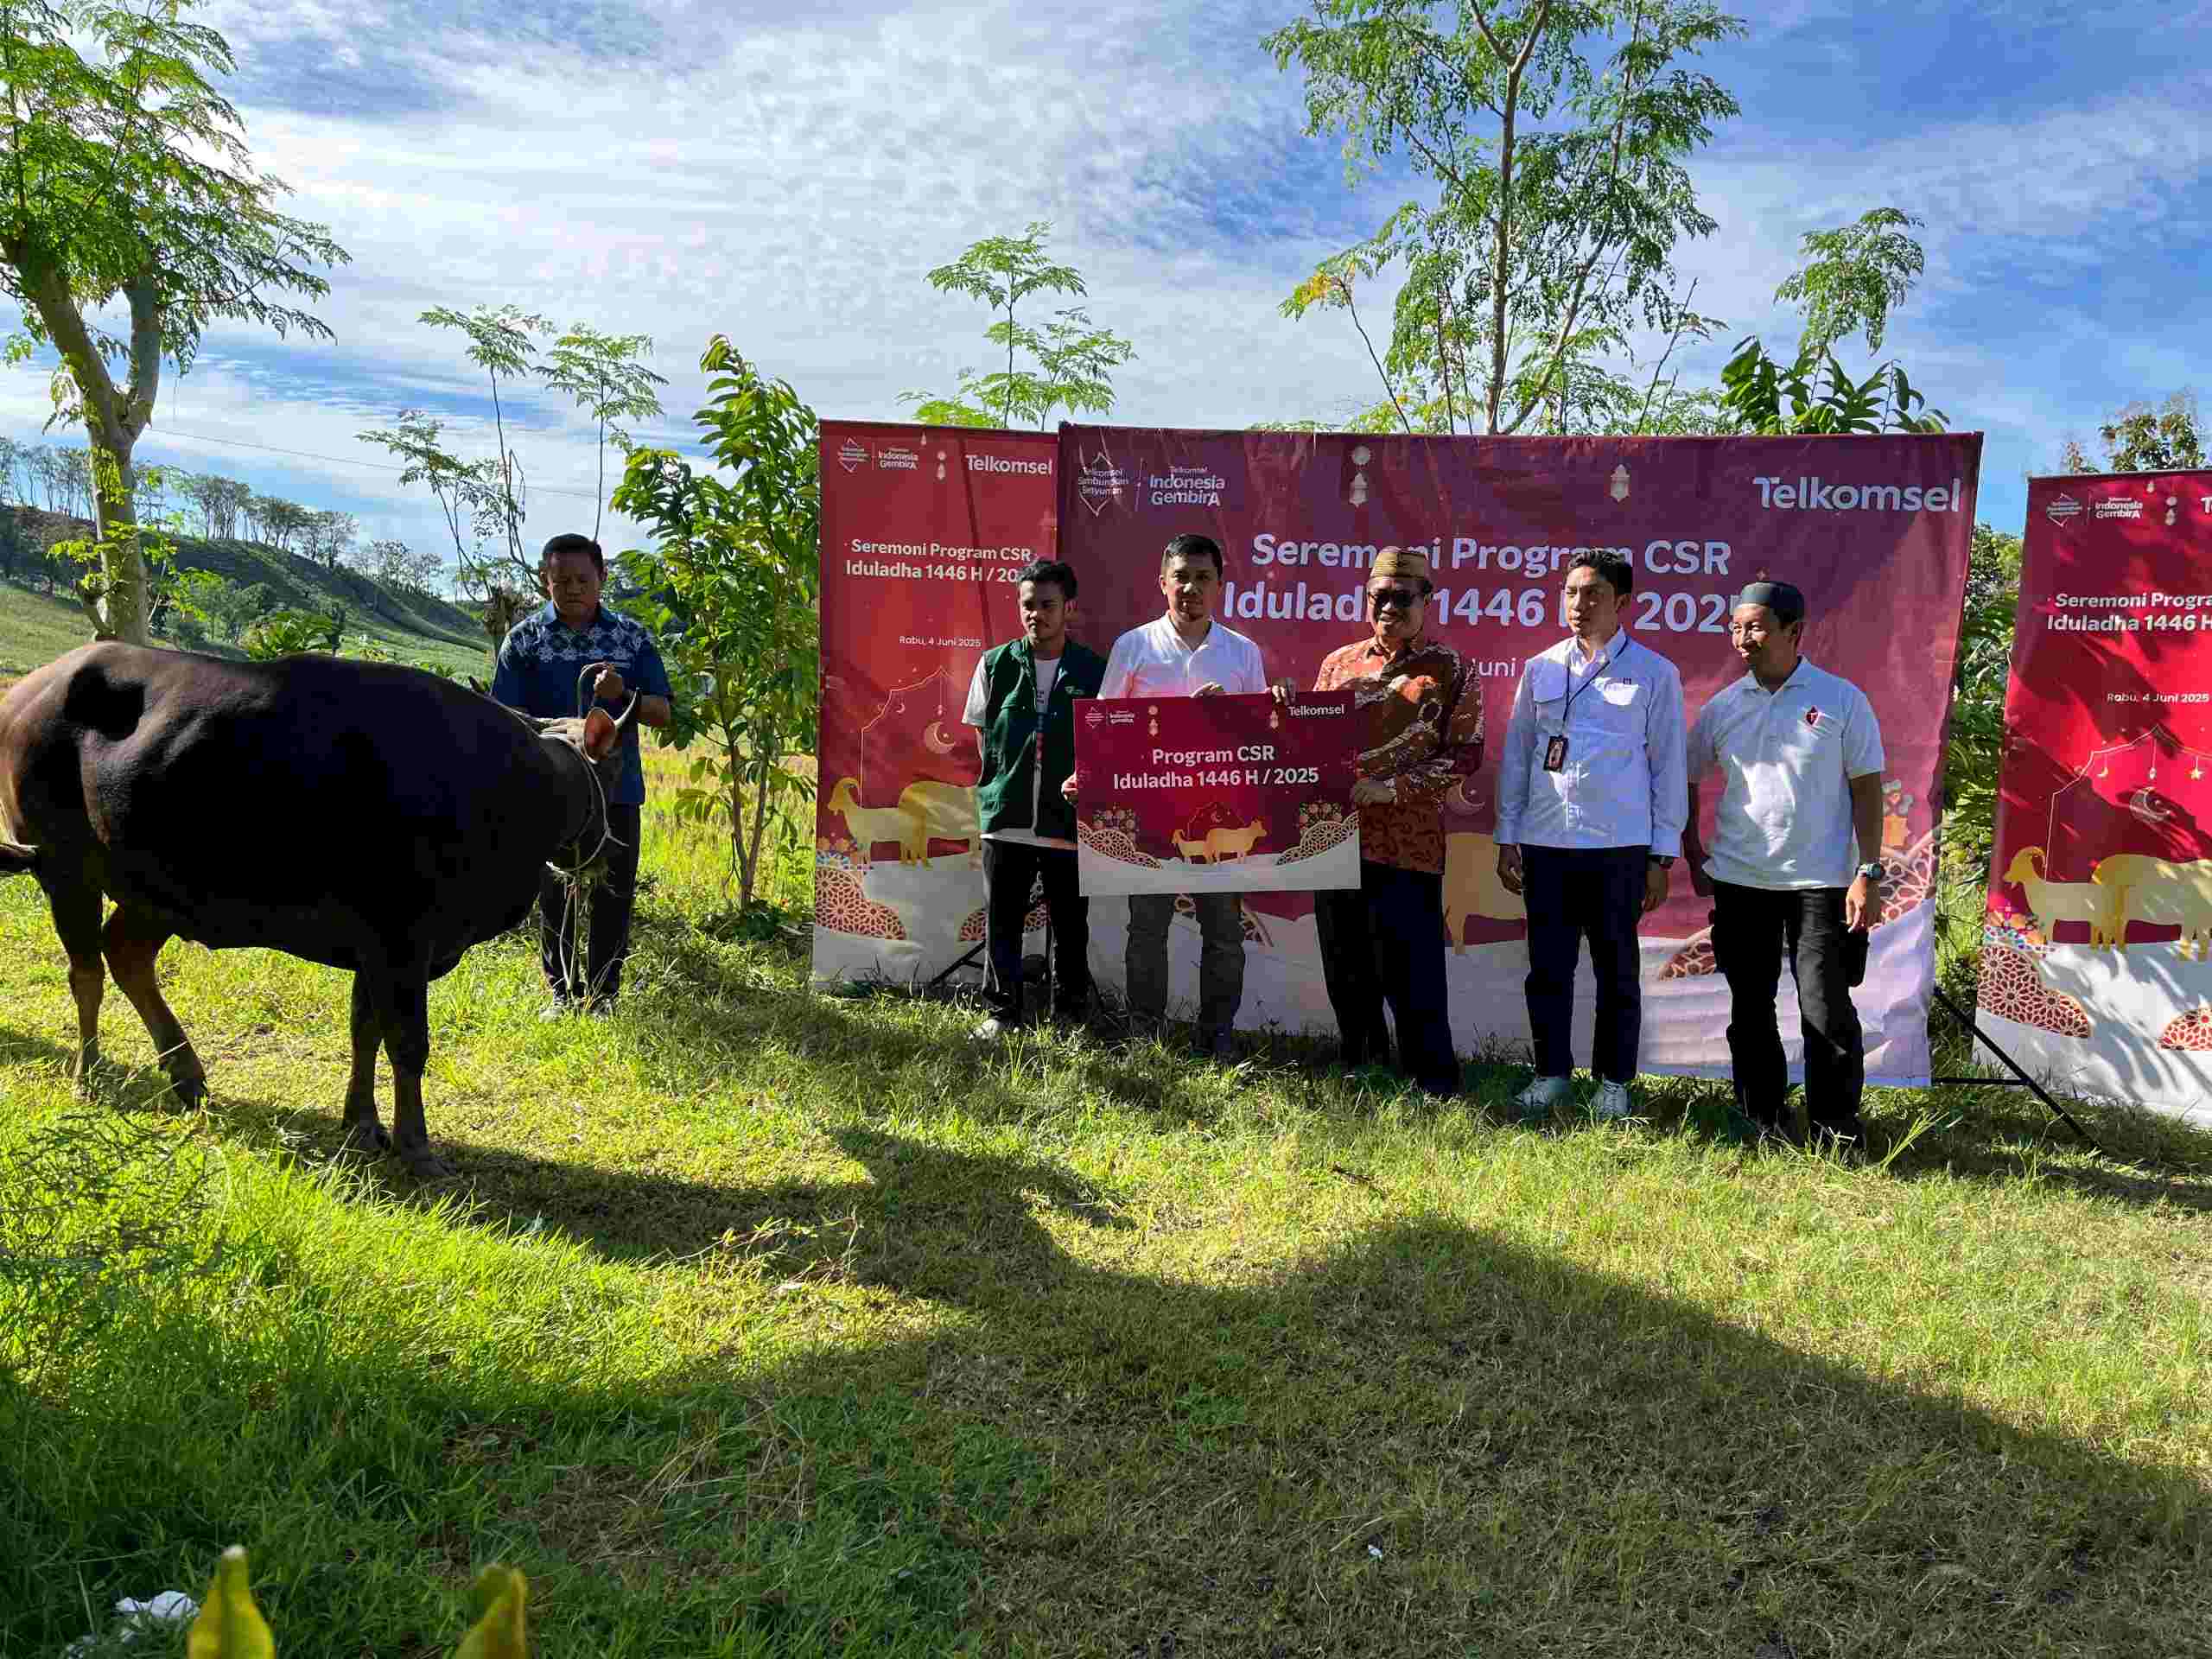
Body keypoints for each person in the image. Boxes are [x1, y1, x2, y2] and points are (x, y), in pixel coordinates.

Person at [1685, 581, 1887, 1151]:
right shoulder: (1724, 706)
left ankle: (1835, 1128)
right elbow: (1686, 776)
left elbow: (1867, 789)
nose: (1743, 639)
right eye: (1736, 628)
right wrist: (1693, 849)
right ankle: (1762, 1119)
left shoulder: (1841, 699)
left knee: (1826, 1009)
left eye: (1756, 627)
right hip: (1741, 881)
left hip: (1822, 884)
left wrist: (1868, 871)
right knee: (1750, 1010)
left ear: (1795, 632)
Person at [1495, 550, 1687, 1119]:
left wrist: (1662, 854)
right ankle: (1551, 1074)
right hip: (1547, 843)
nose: (1580, 605)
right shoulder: (1541, 668)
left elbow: (1668, 766)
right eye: (1572, 593)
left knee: (1616, 971)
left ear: (1623, 603)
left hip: (1619, 848)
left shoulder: (1655, 673)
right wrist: (1509, 835)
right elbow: (1519, 756)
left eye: (1594, 594)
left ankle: (1613, 1085)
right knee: (1547, 970)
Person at [1302, 547, 1484, 1095]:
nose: (1389, 607)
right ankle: (1362, 1065)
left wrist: (1394, 789)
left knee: (1413, 972)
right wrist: (1281, 710)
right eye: (1379, 597)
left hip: (1410, 844)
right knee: (1346, 964)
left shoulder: (1450, 667)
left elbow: (1467, 754)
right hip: (1336, 840)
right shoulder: (1337, 664)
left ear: (1426, 600)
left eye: (1402, 598)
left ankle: (1431, 1079)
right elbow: (1308, 744)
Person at [1095, 531, 1272, 1058]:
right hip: (1152, 815)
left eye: (1202, 577)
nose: (1190, 587)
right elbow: (1107, 727)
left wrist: (1229, 720)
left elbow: (1261, 740)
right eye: (1181, 577)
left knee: (1224, 933)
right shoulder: (1134, 645)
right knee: (1146, 930)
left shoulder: (1243, 652)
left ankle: (1217, 1040)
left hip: (1221, 818)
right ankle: (1144, 1037)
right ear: (1162, 583)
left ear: (1219, 585)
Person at [492, 532, 674, 1017]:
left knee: (614, 890)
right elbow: (503, 716)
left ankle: (603, 994)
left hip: (615, 789)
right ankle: (560, 991)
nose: (572, 589)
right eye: (561, 580)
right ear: (544, 581)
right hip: (547, 793)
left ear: (602, 579)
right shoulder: (525, 640)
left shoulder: (631, 638)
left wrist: (622, 692)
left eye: (582, 579)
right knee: (553, 889)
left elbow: (662, 712)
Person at [961, 559, 1106, 1039]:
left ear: (1069, 608)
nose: (1036, 615)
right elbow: (984, 734)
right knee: (1002, 920)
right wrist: (1008, 779)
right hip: (1006, 818)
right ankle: (1002, 1013)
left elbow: (1106, 741)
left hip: (1067, 820)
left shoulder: (1095, 670)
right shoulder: (994, 663)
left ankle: (1069, 1014)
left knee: (1071, 925)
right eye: (1028, 605)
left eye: (1047, 605)